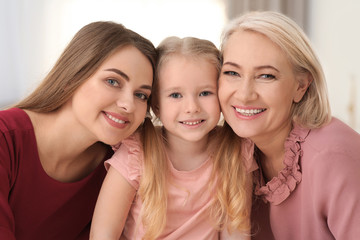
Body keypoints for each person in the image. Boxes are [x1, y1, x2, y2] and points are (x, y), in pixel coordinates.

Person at [0, 21, 157, 240]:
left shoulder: (120, 167)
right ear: (72, 77)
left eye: (141, 95)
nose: (129, 105)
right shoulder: (5, 138)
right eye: (113, 81)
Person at [90, 36, 254, 240]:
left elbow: (236, 231)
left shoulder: (235, 151)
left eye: (205, 93)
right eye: (176, 95)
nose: (192, 107)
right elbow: (103, 235)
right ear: (156, 105)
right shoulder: (136, 153)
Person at [218, 11, 360, 240]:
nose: (244, 95)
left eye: (266, 76)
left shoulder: (333, 156)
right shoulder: (234, 151)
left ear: (301, 86)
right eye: (232, 72)